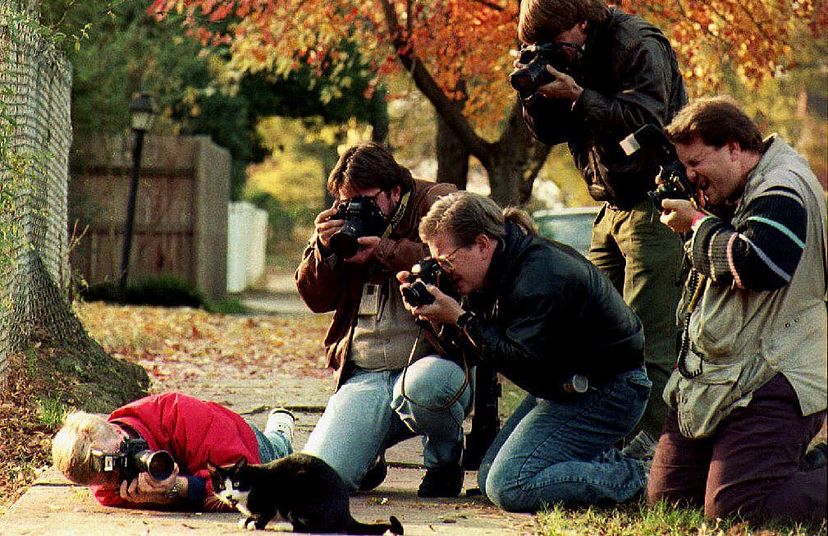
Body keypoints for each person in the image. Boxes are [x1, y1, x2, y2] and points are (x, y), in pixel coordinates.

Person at [398, 190, 652, 512]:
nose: (444, 270)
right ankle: (597, 458)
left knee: (511, 485)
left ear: (482, 244)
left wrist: (461, 319)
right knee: (492, 476)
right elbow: (477, 354)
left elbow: (523, 363)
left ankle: (639, 475)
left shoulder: (540, 275)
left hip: (609, 389)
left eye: (447, 261)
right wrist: (436, 315)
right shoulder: (494, 270)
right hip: (561, 384)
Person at [648, 96, 827, 524]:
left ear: (733, 147)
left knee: (740, 511)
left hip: (775, 372)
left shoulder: (783, 188)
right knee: (670, 503)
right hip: (723, 375)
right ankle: (790, 466)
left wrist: (695, 224)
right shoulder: (742, 188)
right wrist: (703, 213)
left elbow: (759, 265)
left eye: (696, 163)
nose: (690, 177)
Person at [515, 0, 686, 442]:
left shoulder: (636, 45)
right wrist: (533, 93)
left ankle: (656, 462)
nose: (548, 51)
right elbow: (549, 133)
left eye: (554, 44)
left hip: (655, 203)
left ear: (582, 24)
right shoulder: (568, 51)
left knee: (647, 342)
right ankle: (603, 442)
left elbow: (651, 122)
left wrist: (579, 96)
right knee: (594, 337)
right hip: (609, 207)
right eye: (534, 45)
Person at [295, 142, 469, 497]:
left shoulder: (436, 202)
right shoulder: (344, 224)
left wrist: (385, 250)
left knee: (425, 388)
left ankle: (444, 462)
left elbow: (458, 261)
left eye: (366, 199)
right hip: (366, 374)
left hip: (430, 365)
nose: (356, 209)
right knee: (320, 482)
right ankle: (366, 452)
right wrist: (323, 250)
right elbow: (316, 299)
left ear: (394, 191)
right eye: (347, 201)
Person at [51, 392, 295, 510]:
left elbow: (245, 486)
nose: (119, 473)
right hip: (209, 456)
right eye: (108, 479)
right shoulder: (104, 481)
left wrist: (181, 487)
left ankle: (280, 429)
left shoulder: (178, 414)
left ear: (118, 432)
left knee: (280, 455)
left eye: (120, 457)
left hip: (244, 446)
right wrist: (159, 499)